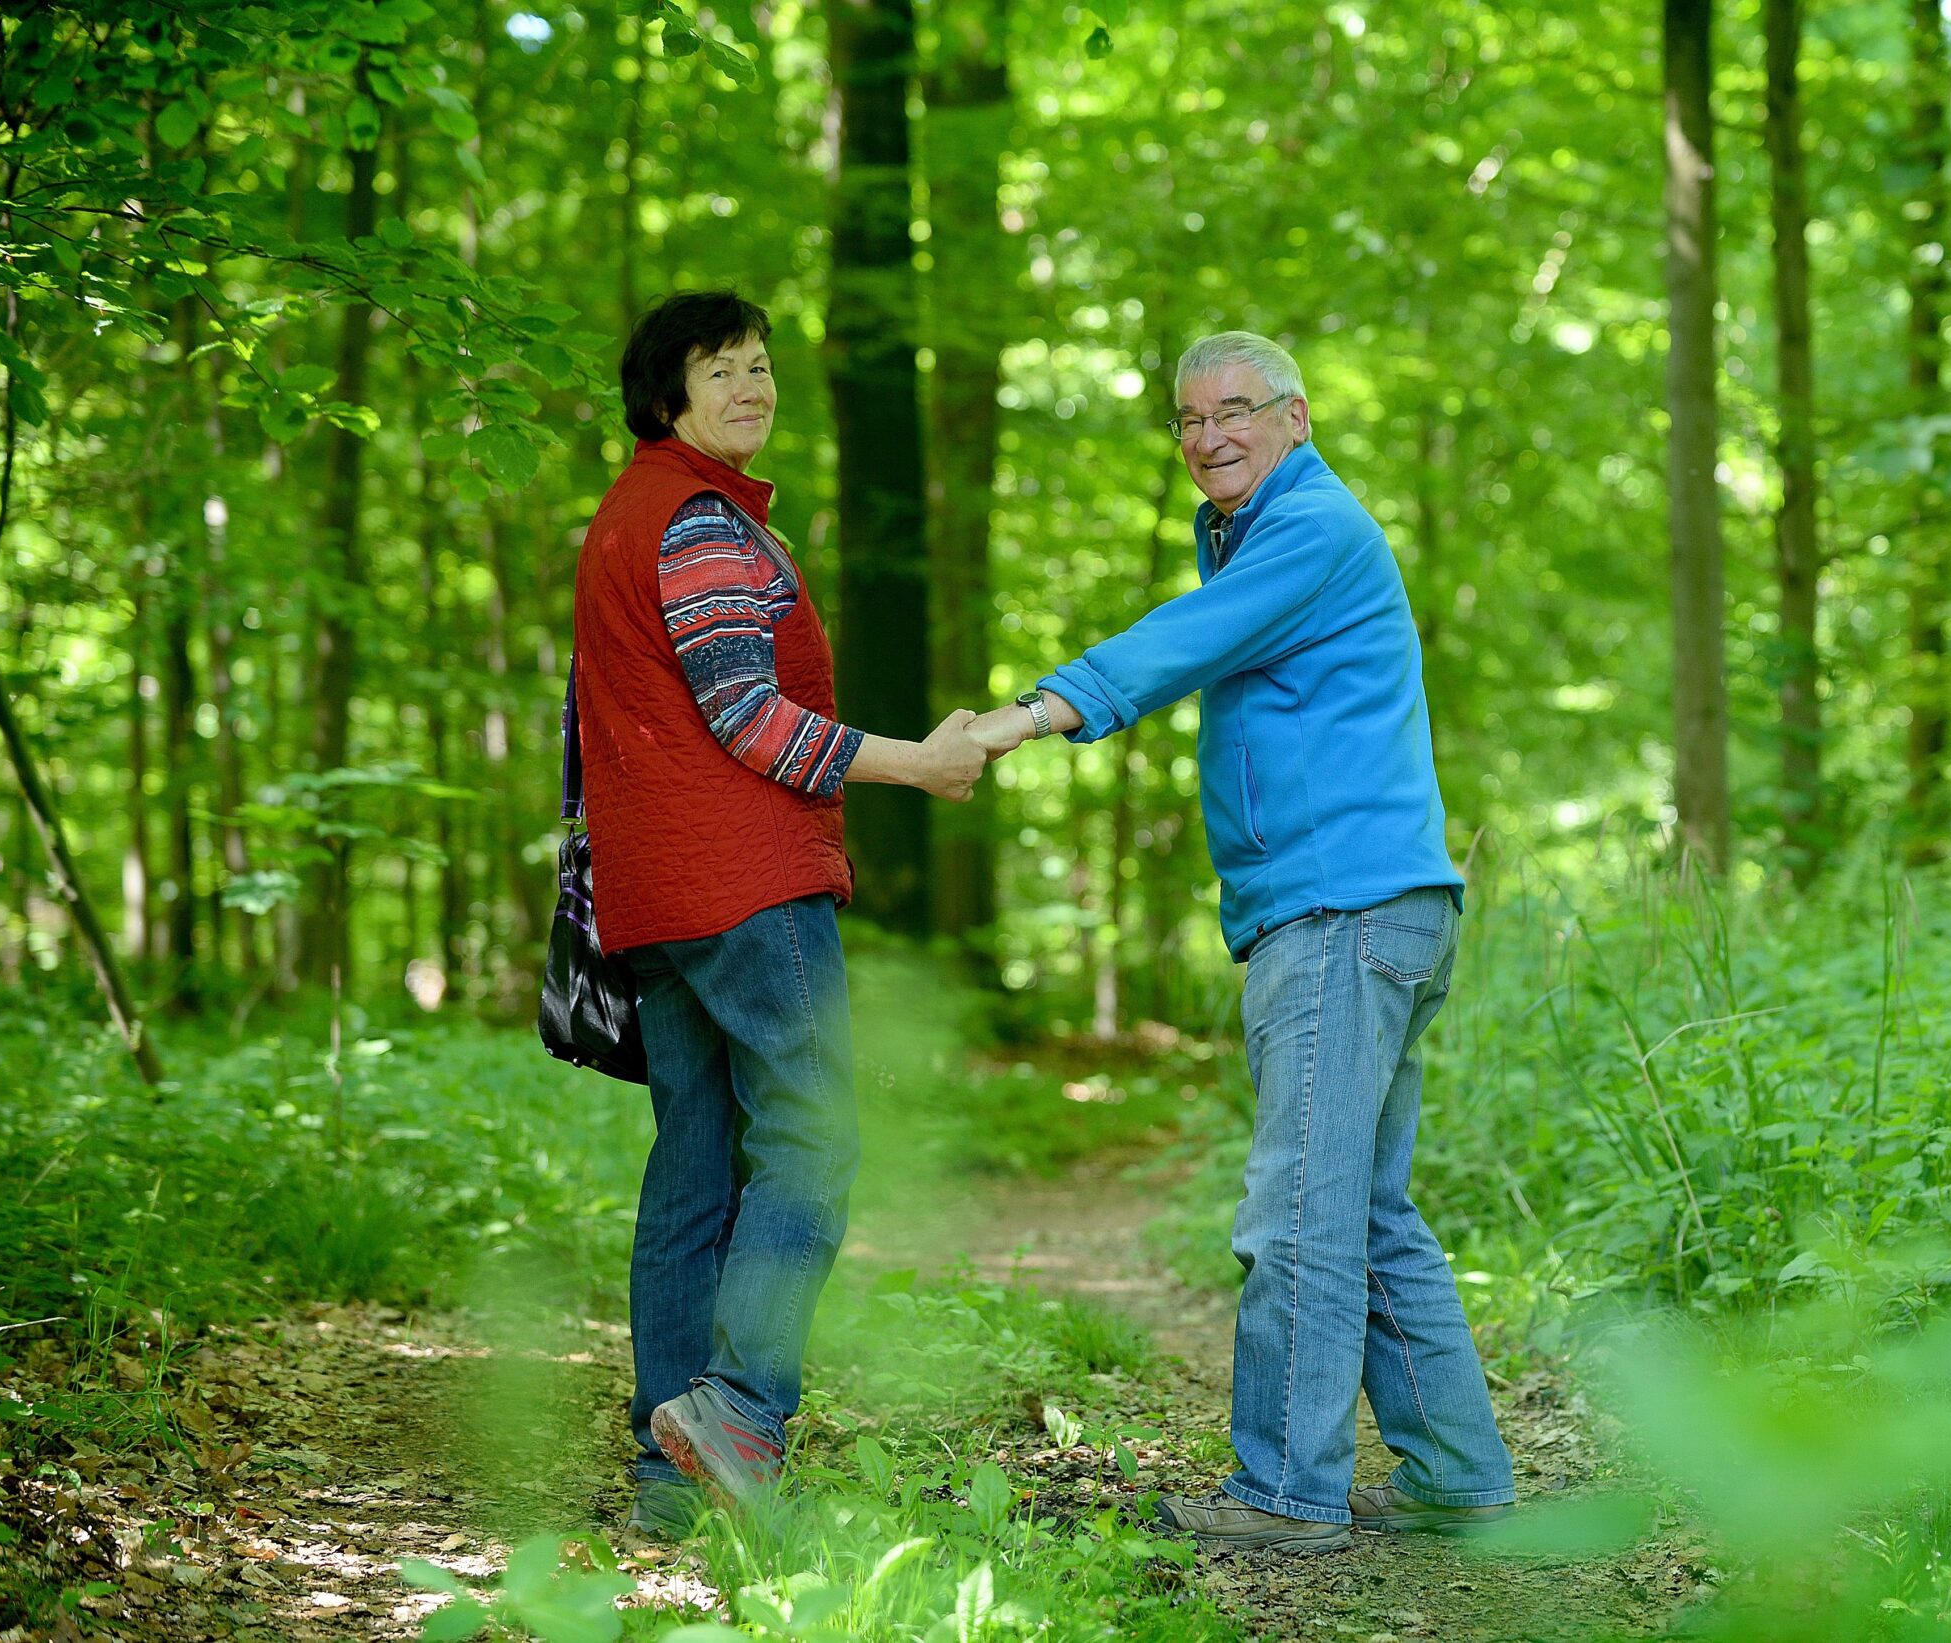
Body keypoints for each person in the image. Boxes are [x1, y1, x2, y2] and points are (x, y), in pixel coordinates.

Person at [968, 331, 1518, 1553]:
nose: (1209, 434)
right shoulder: (1261, 532)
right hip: (1374, 908)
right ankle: (1461, 1475)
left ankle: (1283, 1489)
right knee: (1366, 1210)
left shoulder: (1311, 531)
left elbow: (1176, 645)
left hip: (1340, 912)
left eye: (1236, 410)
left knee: (1302, 1214)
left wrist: (1017, 720)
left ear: (1297, 417)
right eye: (1187, 419)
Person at [573, 290, 992, 1540]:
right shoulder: (697, 520)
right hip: (746, 887)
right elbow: (747, 718)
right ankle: (741, 1411)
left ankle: (671, 1472)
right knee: (812, 1139)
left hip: (660, 898)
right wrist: (915, 761)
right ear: (668, 399)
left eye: (760, 366)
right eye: (721, 370)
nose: (751, 386)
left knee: (696, 1170)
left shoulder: (627, 513)